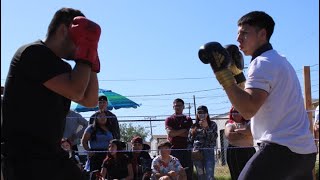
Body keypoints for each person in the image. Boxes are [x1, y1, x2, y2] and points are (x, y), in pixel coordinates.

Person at [198, 11, 317, 180]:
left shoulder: (261, 63)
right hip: (304, 154)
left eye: (244, 33)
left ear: (263, 34)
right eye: (238, 33)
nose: (238, 39)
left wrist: (222, 72)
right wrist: (238, 76)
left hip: (281, 152)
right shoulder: (280, 61)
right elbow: (266, 113)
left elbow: (247, 109)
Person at [1, 7, 101, 180]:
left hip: (50, 156)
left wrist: (91, 53)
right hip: (25, 158)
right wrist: (86, 54)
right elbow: (76, 91)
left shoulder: (63, 68)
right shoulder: (32, 53)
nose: (80, 45)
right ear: (64, 30)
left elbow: (90, 100)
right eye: (80, 38)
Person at [165, 98, 193, 180]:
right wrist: (184, 130)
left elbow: (189, 134)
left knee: (187, 172)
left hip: (186, 149)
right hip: (174, 149)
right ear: (173, 107)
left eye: (179, 105)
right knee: (174, 172)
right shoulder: (169, 119)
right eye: (175, 106)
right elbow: (170, 133)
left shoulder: (188, 119)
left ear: (183, 107)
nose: (177, 107)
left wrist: (176, 132)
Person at [225, 107, 256, 180]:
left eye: (237, 111)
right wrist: (245, 133)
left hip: (249, 150)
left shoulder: (249, 122)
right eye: (233, 111)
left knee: (251, 173)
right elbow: (229, 135)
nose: (235, 113)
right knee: (237, 174)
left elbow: (251, 131)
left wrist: (236, 131)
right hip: (235, 151)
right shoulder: (230, 123)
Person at [188, 105, 218, 180]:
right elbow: (189, 140)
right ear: (197, 115)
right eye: (199, 113)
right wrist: (192, 150)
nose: (201, 114)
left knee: (210, 175)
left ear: (207, 114)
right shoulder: (193, 126)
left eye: (203, 112)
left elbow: (213, 138)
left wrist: (206, 127)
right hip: (197, 153)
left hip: (209, 151)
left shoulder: (212, 124)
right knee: (200, 175)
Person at [82, 110, 114, 178]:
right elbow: (84, 141)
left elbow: (112, 142)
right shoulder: (91, 128)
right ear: (96, 118)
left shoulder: (110, 128)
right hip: (95, 155)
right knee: (95, 175)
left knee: (107, 175)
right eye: (100, 116)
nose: (103, 118)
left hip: (107, 155)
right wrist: (89, 151)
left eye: (105, 116)